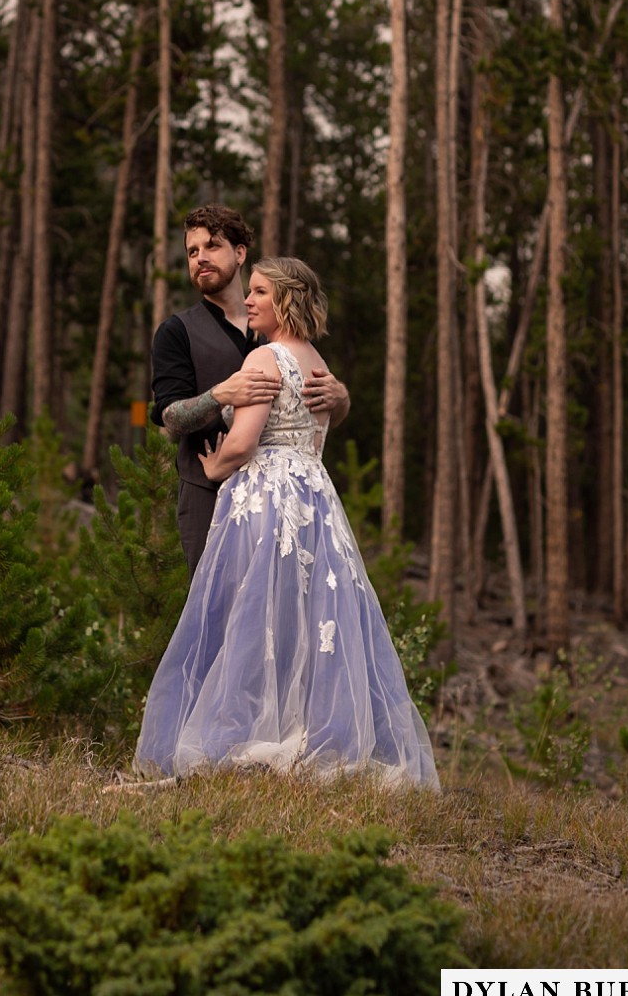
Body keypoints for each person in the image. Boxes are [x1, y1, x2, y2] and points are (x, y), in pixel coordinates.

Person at [135, 256, 439, 787]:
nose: (249, 300)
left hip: (266, 496)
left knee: (248, 617)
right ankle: (306, 731)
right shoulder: (318, 363)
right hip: (315, 498)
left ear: (284, 302)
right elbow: (318, 435)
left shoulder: (265, 360)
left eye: (258, 292)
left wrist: (217, 463)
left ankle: (237, 736)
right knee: (309, 620)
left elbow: (245, 441)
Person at [151, 205, 348, 576]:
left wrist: (342, 399)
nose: (200, 258)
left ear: (239, 253)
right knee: (221, 613)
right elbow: (171, 419)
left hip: (284, 501)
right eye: (192, 252)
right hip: (207, 494)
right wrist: (220, 395)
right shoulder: (177, 332)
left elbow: (314, 413)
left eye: (211, 246)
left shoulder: (276, 326)